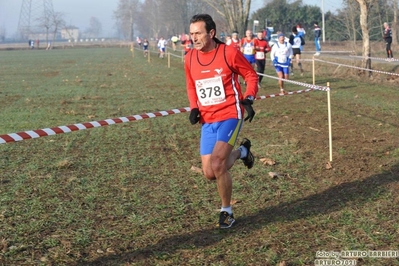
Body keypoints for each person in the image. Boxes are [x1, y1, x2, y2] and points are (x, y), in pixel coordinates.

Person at [185, 13, 258, 229]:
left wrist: (249, 98)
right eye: (191, 34)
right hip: (208, 119)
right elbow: (191, 85)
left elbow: (251, 76)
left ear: (211, 33)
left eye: (198, 33)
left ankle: (227, 211)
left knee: (217, 164)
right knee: (209, 172)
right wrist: (194, 107)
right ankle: (242, 153)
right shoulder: (189, 57)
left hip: (230, 115)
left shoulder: (229, 53)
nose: (194, 38)